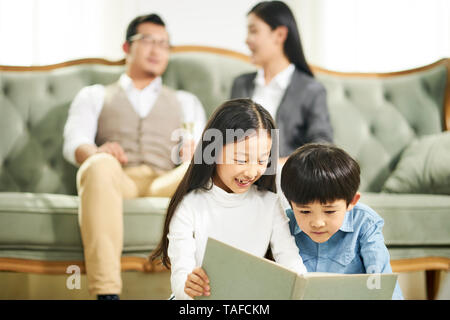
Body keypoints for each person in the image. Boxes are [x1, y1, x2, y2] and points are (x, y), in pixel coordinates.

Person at [62, 13, 206, 300]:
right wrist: (98, 152)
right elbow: (74, 142)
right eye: (148, 41)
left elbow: (202, 149)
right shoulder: (95, 95)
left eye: (164, 44)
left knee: (202, 163)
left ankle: (189, 292)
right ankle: (107, 294)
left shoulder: (185, 101)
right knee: (98, 165)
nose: (157, 50)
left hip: (166, 179)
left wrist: (195, 152)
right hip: (118, 180)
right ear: (126, 48)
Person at [150, 98, 307, 300]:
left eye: (262, 160)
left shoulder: (269, 204)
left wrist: (305, 288)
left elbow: (290, 260)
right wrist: (189, 287)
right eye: (241, 159)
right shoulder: (190, 206)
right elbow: (182, 277)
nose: (252, 172)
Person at [280, 143, 404, 300]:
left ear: (352, 201)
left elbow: (381, 280)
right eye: (304, 211)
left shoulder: (365, 223)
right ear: (290, 203)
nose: (317, 222)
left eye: (330, 211)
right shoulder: (284, 222)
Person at [230, 1, 333, 164]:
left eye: (253, 31)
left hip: (284, 180)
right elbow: (225, 137)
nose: (247, 40)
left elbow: (323, 148)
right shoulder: (241, 84)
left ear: (279, 35)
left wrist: (273, 165)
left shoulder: (311, 90)